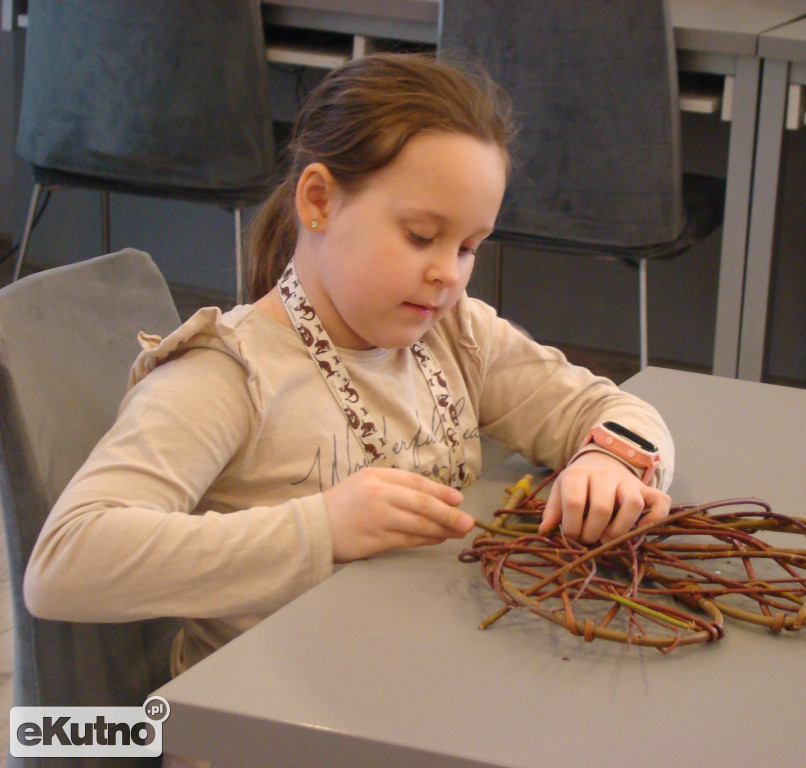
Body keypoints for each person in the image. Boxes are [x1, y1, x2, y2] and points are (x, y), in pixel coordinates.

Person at [24, 53, 675, 677]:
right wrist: (322, 528)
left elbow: (613, 411)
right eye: (421, 236)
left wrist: (609, 461)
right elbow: (64, 565)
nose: (447, 273)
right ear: (318, 202)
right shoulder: (228, 373)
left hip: (414, 691)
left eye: (469, 246)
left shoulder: (455, 334)